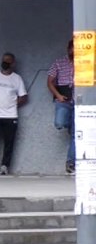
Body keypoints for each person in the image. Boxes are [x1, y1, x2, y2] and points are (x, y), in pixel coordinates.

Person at [0, 52, 28, 176]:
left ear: (13, 63)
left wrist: (12, 104)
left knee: (9, 141)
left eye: (8, 61)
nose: (5, 63)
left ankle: (5, 165)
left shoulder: (17, 78)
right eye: (4, 60)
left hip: (10, 115)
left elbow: (23, 96)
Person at [48, 40, 77, 174]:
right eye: (72, 49)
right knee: (60, 122)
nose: (74, 52)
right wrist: (58, 95)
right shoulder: (59, 62)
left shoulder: (84, 63)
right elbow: (50, 82)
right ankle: (69, 126)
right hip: (63, 99)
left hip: (78, 101)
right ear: (68, 49)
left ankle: (70, 162)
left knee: (76, 135)